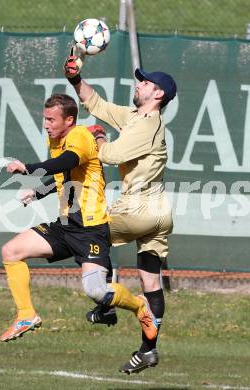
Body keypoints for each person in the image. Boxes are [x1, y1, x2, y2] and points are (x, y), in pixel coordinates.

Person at [0, 93, 159, 349]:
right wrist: (37, 192)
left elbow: (67, 161)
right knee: (11, 251)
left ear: (69, 119)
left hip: (91, 230)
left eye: (51, 119)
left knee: (96, 291)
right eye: (45, 119)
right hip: (65, 227)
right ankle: (26, 314)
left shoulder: (80, 136)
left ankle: (140, 305)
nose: (46, 124)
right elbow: (64, 174)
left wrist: (27, 169)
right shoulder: (56, 140)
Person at [63, 52, 176, 374]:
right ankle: (148, 350)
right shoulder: (135, 116)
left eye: (145, 82)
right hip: (159, 211)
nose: (138, 83)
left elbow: (110, 154)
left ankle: (106, 306)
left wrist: (97, 137)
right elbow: (96, 104)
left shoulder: (148, 123)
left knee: (84, 235)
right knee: (150, 278)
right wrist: (75, 79)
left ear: (158, 94)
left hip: (138, 206)